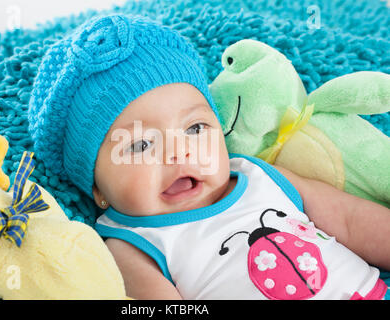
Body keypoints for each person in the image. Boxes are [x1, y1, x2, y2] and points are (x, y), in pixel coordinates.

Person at [28, 14, 390, 300]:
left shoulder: (261, 176)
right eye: (140, 145)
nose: (179, 152)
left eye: (195, 129)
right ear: (98, 190)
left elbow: (350, 219)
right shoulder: (132, 244)